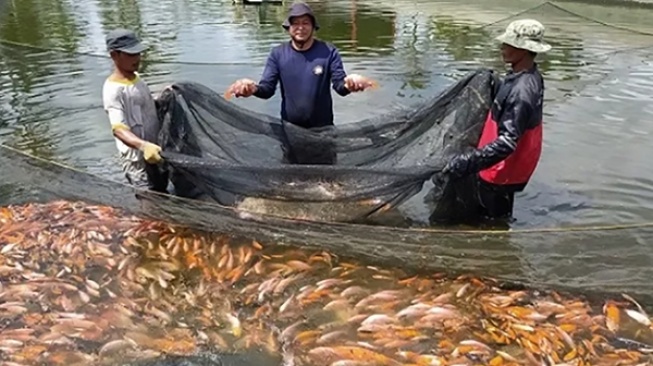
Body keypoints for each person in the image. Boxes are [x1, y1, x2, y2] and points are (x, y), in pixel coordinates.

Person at [226, 2, 376, 165]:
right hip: (290, 132)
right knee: (292, 179)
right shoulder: (278, 54)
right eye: (295, 23)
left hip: (323, 131)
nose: (300, 27)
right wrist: (252, 88)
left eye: (305, 23)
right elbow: (266, 89)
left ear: (313, 27)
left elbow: (340, 86)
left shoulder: (328, 51)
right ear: (288, 27)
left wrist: (350, 85)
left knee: (325, 180)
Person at [442, 19, 551, 221]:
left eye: (508, 44)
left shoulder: (521, 92)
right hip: (509, 167)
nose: (502, 47)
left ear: (523, 49)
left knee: (492, 221)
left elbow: (507, 143)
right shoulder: (526, 75)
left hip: (501, 171)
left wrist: (466, 162)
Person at [102, 28, 169, 193]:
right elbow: (118, 129)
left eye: (138, 53)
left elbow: (144, 104)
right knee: (149, 203)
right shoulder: (113, 90)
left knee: (164, 196)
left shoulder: (136, 78)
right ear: (114, 55)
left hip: (156, 154)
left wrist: (165, 96)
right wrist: (144, 146)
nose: (137, 58)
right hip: (138, 161)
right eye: (131, 54)